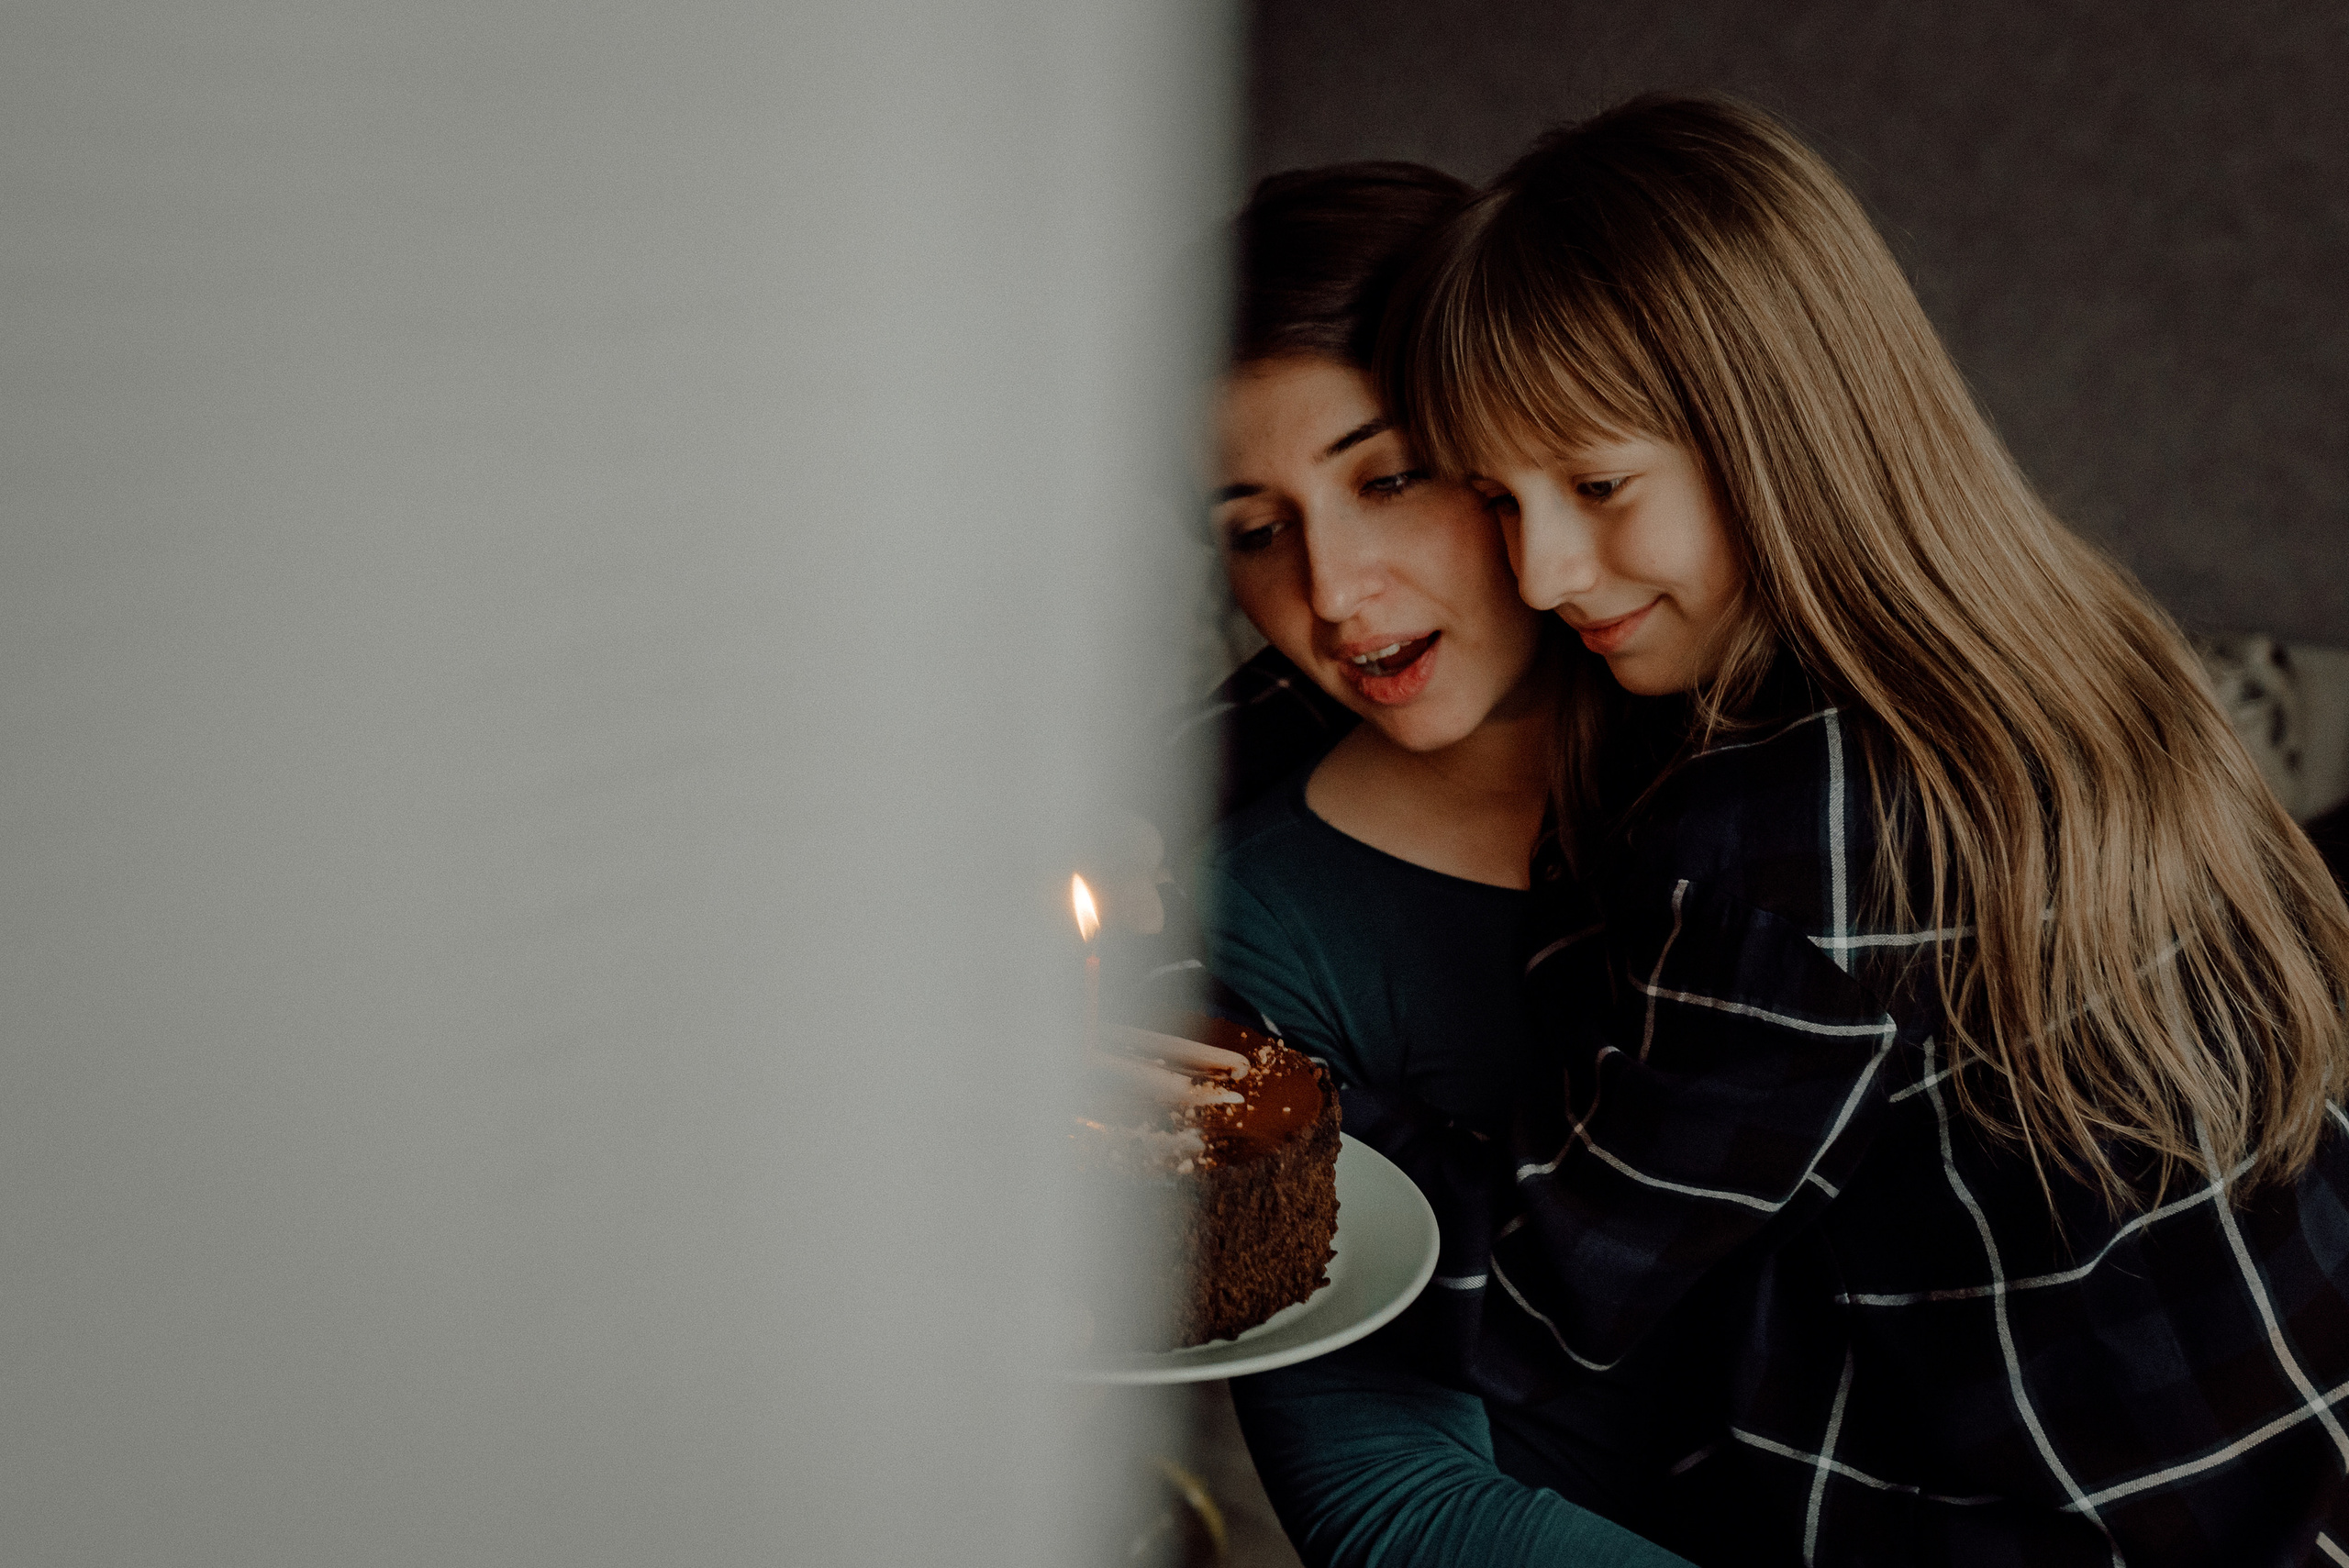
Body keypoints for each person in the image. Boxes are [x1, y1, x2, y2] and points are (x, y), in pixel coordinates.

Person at [1351, 94, 2349, 1565]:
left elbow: (1545, 1292)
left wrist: (1261, 1128)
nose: (1548, 568)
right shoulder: (2057, 630)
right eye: (1500, 499)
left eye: (1599, 485)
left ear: (1779, 431)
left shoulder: (1800, 832)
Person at [1179, 162, 1696, 1566]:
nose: (1333, 592)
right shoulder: (1263, 916)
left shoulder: (1788, 770)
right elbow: (1386, 1500)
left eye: (1387, 475)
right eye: (1254, 528)